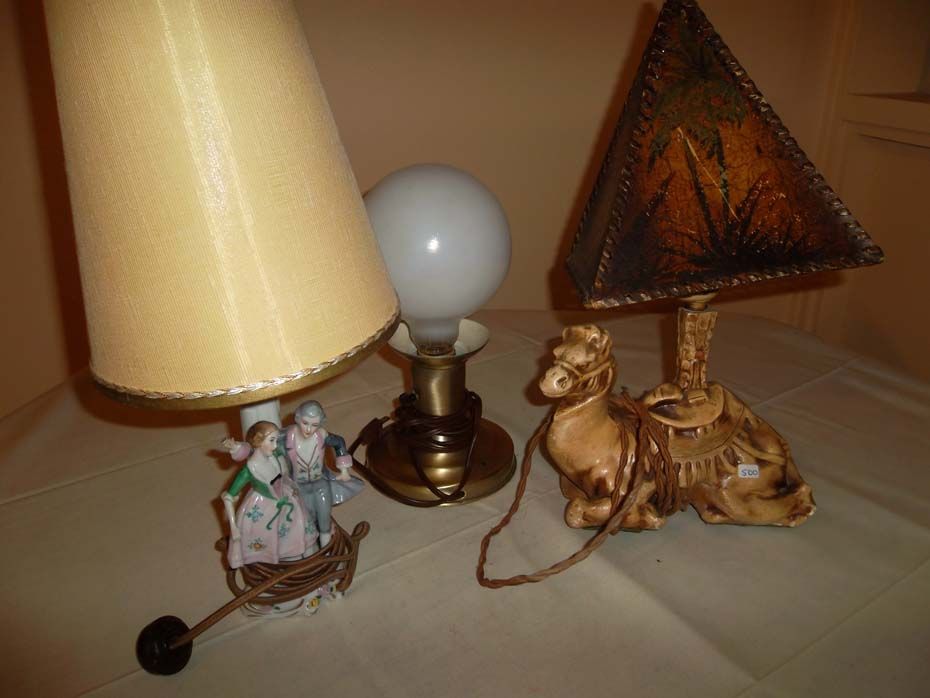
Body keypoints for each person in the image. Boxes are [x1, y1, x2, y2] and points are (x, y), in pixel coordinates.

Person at [220, 421, 318, 569]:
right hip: (265, 509)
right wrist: (234, 527)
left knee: (299, 530)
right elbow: (228, 497)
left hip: (285, 499)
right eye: (271, 440)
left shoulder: (274, 455)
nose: (275, 445)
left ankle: (306, 558)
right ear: (258, 441)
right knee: (275, 541)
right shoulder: (249, 470)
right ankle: (288, 565)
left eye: (276, 440)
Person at [284, 400, 364, 547]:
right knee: (306, 517)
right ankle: (309, 548)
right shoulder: (288, 437)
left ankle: (326, 549)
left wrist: (344, 470)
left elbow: (339, 442)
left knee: (324, 515)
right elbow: (263, 445)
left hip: (320, 482)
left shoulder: (321, 435)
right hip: (299, 486)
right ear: (297, 418)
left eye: (314, 425)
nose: (309, 429)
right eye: (305, 423)